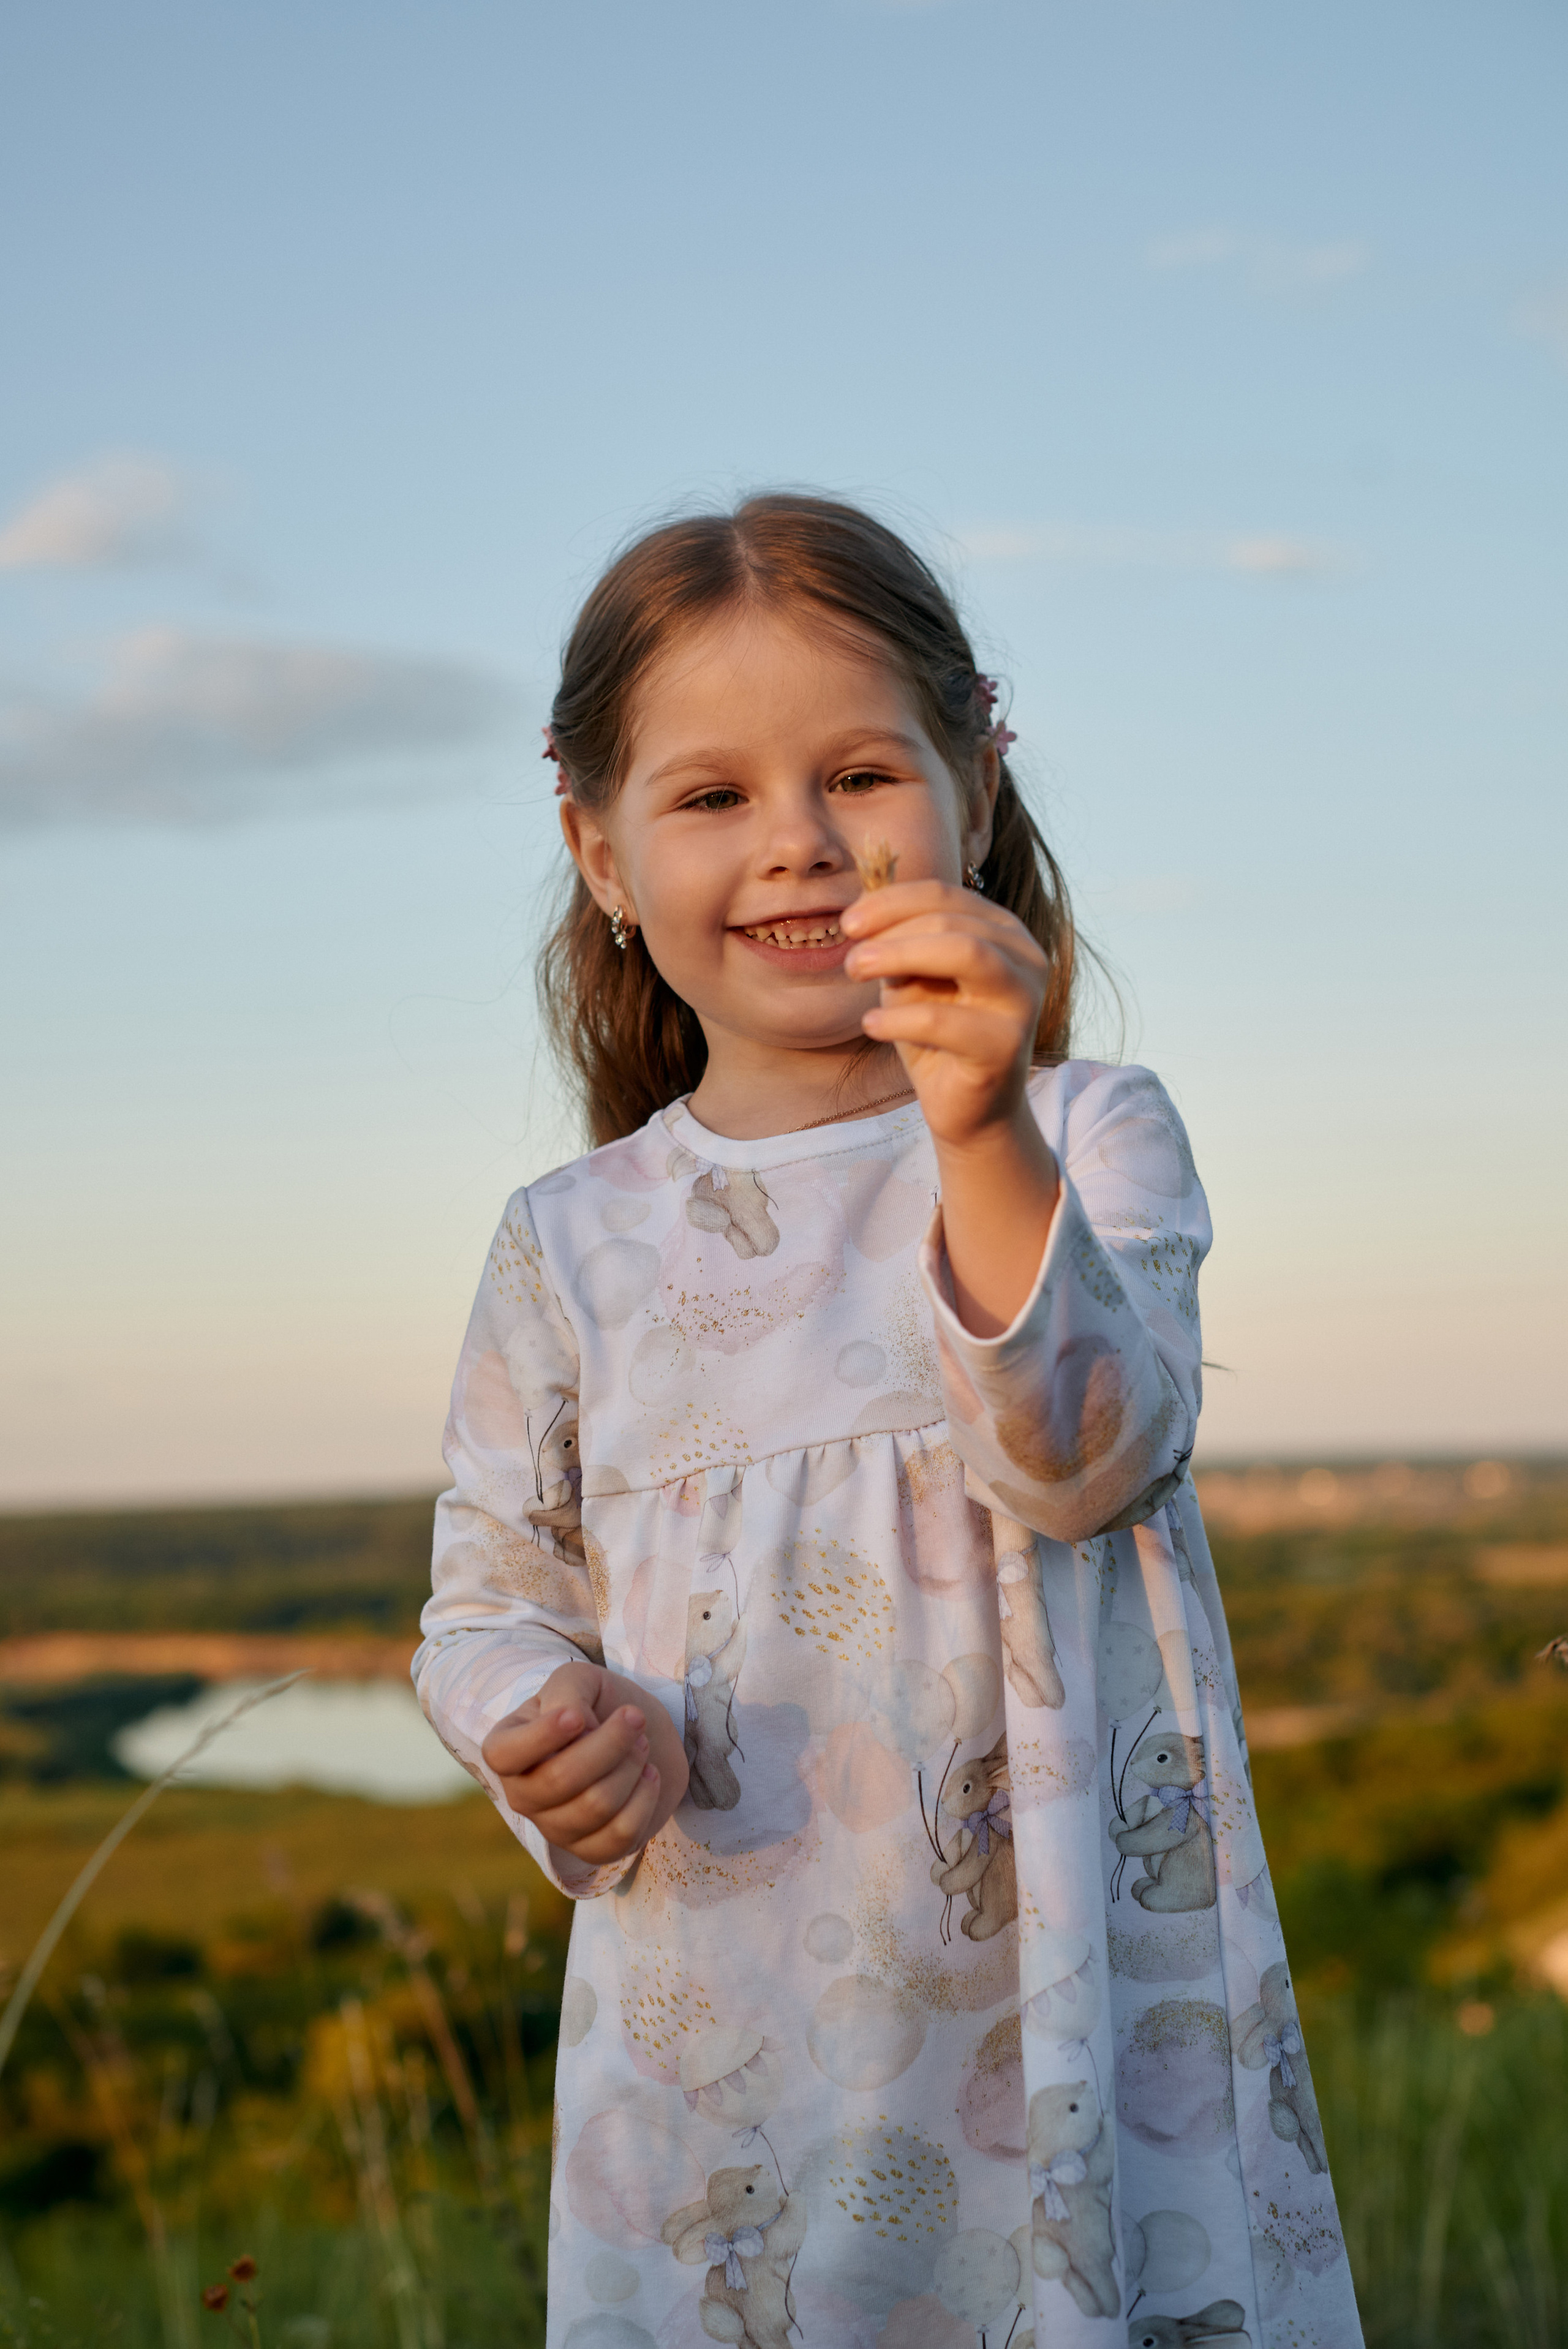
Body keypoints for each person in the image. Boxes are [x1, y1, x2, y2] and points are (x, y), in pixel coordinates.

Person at [412, 495, 1362, 2348]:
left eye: (858, 774)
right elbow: (485, 1602)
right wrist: (540, 1718)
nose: (799, 841)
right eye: (712, 795)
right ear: (599, 850)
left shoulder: (1086, 1134)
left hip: (1068, 2020)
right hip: (720, 2052)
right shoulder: (569, 1244)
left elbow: (1081, 1460)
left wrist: (978, 1121)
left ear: (973, 788)